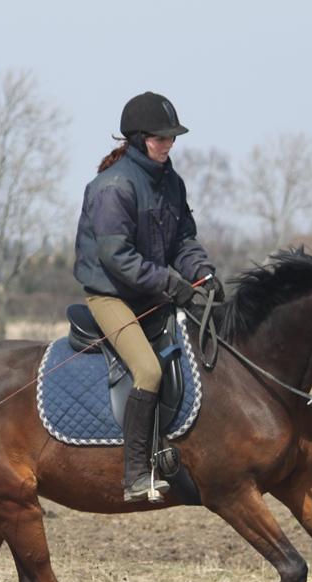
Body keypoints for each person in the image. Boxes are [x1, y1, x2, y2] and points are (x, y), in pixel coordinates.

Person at [73, 91, 223, 502]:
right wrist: (170, 283)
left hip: (151, 292)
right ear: (138, 139)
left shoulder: (171, 182)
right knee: (149, 371)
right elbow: (116, 257)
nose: (169, 144)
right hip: (112, 296)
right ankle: (137, 472)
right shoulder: (114, 186)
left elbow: (183, 241)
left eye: (172, 137)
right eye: (161, 138)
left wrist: (201, 273)